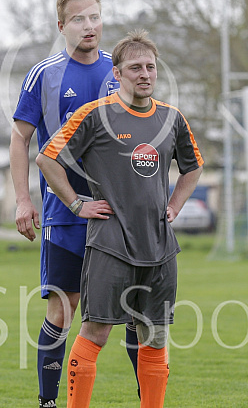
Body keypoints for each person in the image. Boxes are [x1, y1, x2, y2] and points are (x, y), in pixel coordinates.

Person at [36, 29, 204, 407]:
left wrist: (174, 205)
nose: (144, 73)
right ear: (117, 73)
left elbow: (193, 167)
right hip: (111, 245)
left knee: (154, 336)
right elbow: (47, 158)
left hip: (159, 247)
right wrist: (78, 204)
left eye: (150, 67)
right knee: (96, 333)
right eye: (135, 67)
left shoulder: (171, 118)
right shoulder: (95, 116)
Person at [9, 0, 139, 408]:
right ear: (62, 26)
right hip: (64, 212)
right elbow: (20, 139)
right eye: (79, 19)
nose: (89, 26)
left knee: (136, 309)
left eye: (95, 17)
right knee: (63, 310)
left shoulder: (120, 71)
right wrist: (22, 200)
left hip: (118, 214)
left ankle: (147, 397)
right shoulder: (44, 74)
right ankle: (48, 403)